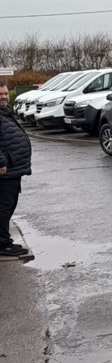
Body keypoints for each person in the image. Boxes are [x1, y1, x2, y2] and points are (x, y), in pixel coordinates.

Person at [0, 83, 32, 256]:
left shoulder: (5, 112)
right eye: (1, 94)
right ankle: (3, 244)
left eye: (5, 93)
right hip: (6, 170)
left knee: (8, 206)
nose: (4, 97)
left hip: (13, 169)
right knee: (4, 207)